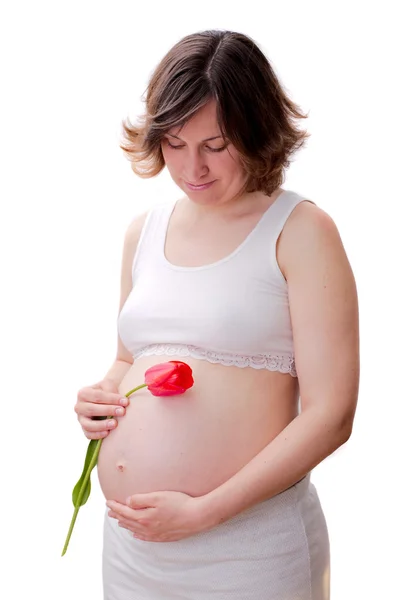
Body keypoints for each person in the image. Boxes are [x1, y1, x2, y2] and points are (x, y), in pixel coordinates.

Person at [74, 29, 360, 600]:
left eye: (216, 144)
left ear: (256, 132)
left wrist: (204, 512)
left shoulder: (301, 231)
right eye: (175, 144)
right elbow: (129, 357)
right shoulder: (144, 233)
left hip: (249, 548)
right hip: (135, 550)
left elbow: (332, 414)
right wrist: (100, 399)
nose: (191, 167)